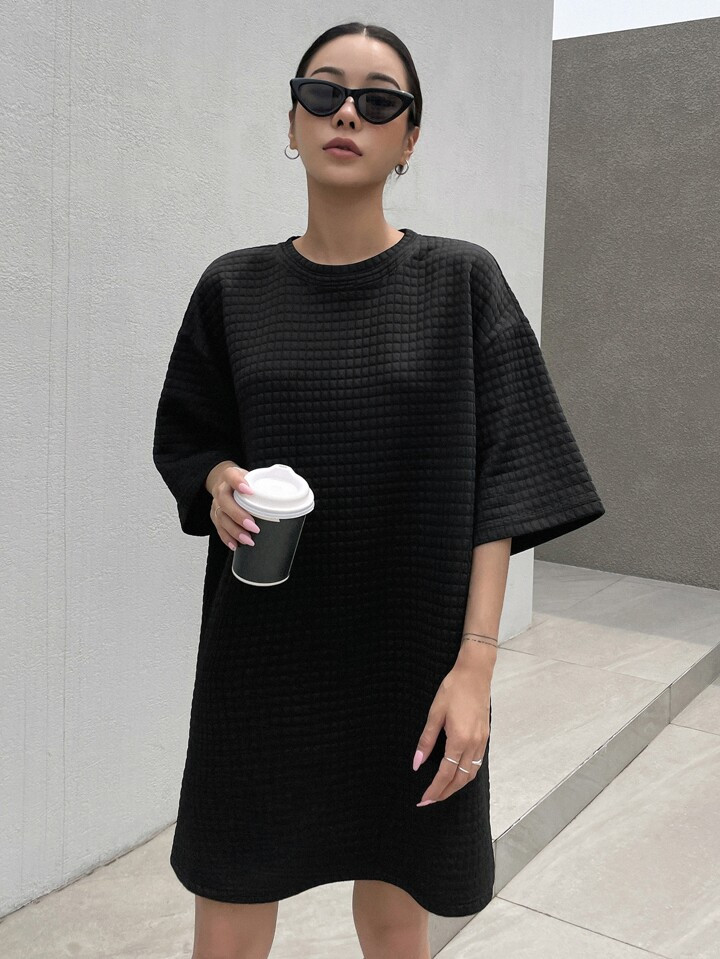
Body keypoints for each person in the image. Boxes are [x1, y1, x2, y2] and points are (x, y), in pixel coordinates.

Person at [152, 20, 605, 959]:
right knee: (229, 906)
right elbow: (190, 438)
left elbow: (506, 477)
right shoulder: (233, 288)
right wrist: (219, 478)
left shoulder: (462, 282)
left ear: (410, 137)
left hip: (412, 661)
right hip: (262, 659)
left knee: (399, 915)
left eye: (378, 99)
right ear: (292, 121)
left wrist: (475, 667)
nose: (347, 113)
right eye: (322, 92)